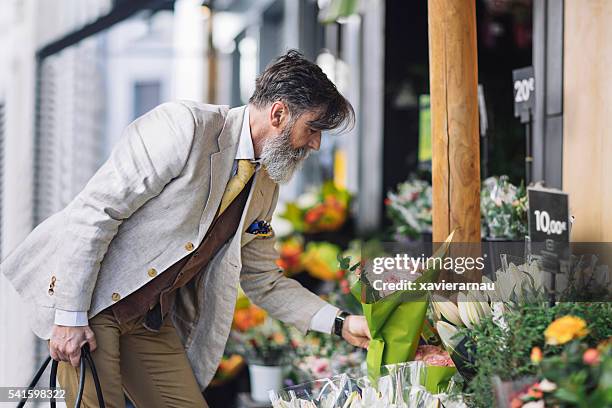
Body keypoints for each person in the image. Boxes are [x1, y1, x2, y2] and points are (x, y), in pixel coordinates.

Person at [1, 50, 370, 407]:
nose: (316, 143)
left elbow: (264, 280)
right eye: (313, 128)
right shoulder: (185, 127)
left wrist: (341, 323)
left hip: (150, 319)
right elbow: (96, 211)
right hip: (93, 304)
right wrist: (69, 316)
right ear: (279, 113)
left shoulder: (265, 184)